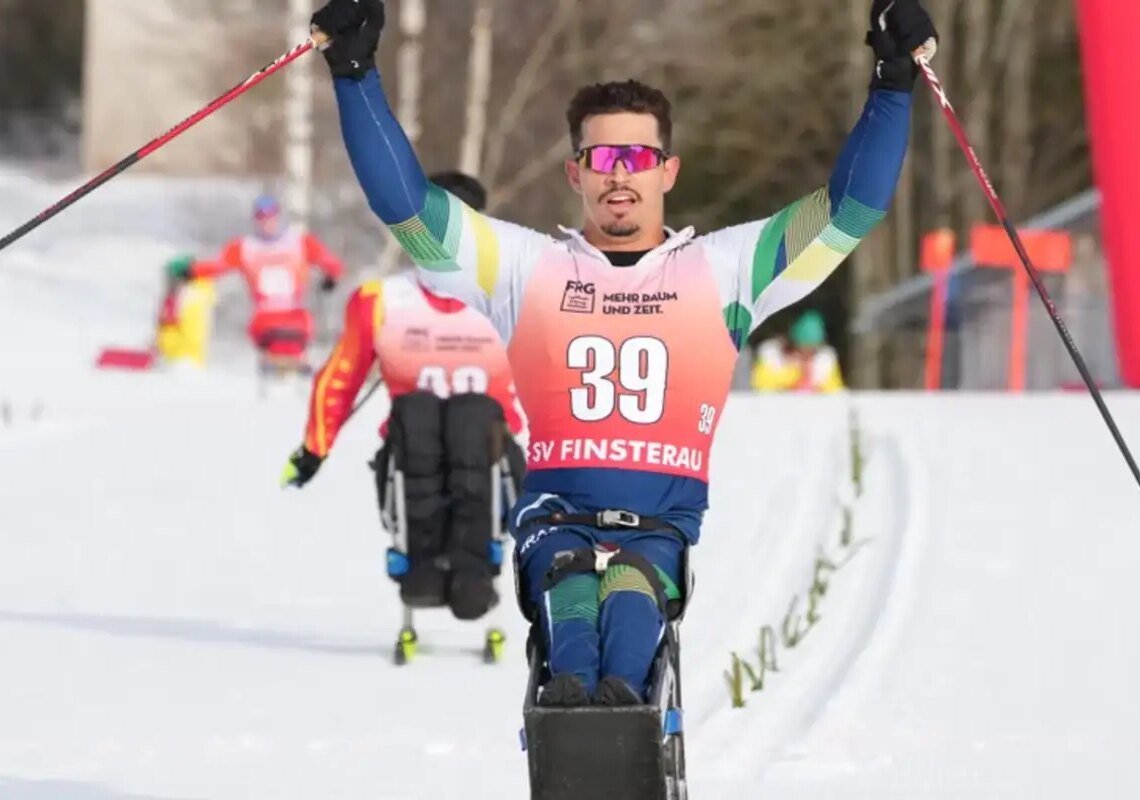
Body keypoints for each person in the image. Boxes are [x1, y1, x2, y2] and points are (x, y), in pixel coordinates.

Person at [308, 0, 937, 705]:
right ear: (576, 173)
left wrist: (891, 84)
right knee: (572, 635)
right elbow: (409, 207)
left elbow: (850, 211)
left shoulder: (727, 269)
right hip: (555, 521)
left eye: (636, 157)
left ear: (667, 171)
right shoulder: (523, 268)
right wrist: (355, 74)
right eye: (601, 157)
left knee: (630, 623)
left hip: (659, 528)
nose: (619, 175)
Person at [280, 171, 526, 622]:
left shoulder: (514, 294)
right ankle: (424, 561)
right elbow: (340, 377)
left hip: (491, 451)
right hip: (413, 447)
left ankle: (475, 563)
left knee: (471, 416)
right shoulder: (382, 300)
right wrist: (314, 449)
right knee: (419, 411)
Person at [173, 194, 345, 372]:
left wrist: (331, 277)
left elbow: (328, 261)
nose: (267, 223)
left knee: (297, 344)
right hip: (265, 317)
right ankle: (272, 372)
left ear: (279, 217)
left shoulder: (298, 242)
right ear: (255, 220)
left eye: (271, 217)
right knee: (273, 353)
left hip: (295, 314)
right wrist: (191, 271)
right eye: (261, 218)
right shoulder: (245, 247)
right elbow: (218, 266)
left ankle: (299, 371)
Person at [751, 309, 845, 393]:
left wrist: (814, 382)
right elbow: (761, 388)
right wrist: (794, 373)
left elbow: (836, 393)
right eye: (802, 351)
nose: (807, 356)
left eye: (812, 351)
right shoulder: (771, 357)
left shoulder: (824, 363)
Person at [154, 253, 217, 368]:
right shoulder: (199, 292)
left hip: (181, 361)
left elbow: (182, 330)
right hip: (187, 360)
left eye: (173, 278)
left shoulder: (189, 296)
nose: (170, 282)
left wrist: (162, 344)